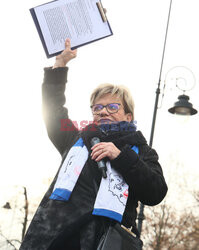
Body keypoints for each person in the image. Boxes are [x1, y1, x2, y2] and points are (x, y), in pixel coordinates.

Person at [20, 39, 168, 250]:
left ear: (128, 116)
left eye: (112, 106)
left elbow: (156, 192)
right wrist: (60, 64)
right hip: (56, 238)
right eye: (97, 107)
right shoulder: (75, 139)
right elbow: (53, 110)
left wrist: (120, 156)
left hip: (103, 241)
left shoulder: (142, 151)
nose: (103, 111)